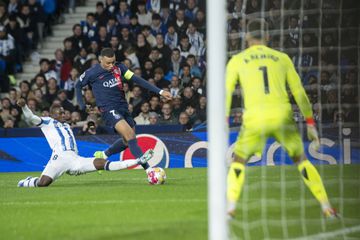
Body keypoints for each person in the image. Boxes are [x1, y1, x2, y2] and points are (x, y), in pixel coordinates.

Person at [226, 19, 337, 218]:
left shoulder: (237, 60)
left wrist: (225, 122)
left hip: (255, 117)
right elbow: (300, 93)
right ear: (267, 37)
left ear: (247, 38)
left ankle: (231, 207)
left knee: (238, 160)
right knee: (301, 160)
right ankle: (326, 207)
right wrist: (310, 123)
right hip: (282, 115)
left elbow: (226, 93)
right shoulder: (282, 58)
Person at [16, 98, 153, 187]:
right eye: (60, 113)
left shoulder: (67, 124)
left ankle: (138, 161)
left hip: (75, 159)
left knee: (101, 163)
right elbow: (30, 117)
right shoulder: (47, 122)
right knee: (43, 183)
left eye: (63, 112)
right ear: (52, 114)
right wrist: (24, 107)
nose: (63, 115)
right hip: (59, 158)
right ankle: (27, 182)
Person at [76, 48, 172, 175]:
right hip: (108, 109)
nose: (111, 66)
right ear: (100, 60)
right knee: (131, 136)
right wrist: (82, 105)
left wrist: (160, 91)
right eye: (108, 63)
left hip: (122, 107)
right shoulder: (92, 72)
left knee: (127, 141)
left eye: (113, 62)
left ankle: (103, 155)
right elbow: (78, 85)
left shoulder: (119, 67)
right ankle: (149, 171)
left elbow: (137, 79)